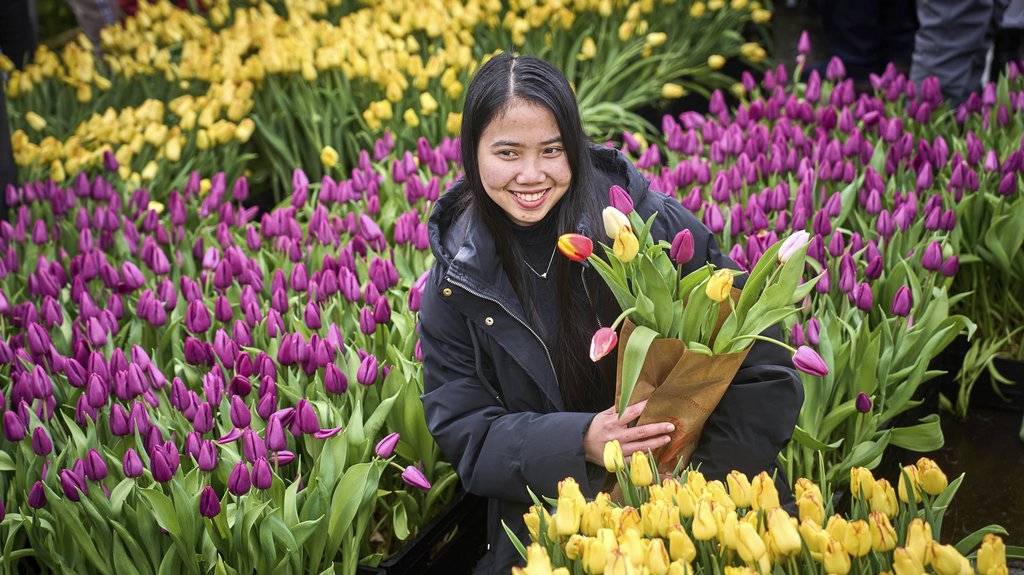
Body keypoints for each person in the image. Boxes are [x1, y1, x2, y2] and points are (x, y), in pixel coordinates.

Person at [417, 53, 803, 574]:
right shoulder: (457, 281)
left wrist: (697, 496)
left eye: (551, 150)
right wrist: (580, 442)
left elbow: (763, 367)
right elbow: (468, 434)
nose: (531, 175)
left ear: (574, 147)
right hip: (553, 517)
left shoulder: (647, 227)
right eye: (507, 152)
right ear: (473, 154)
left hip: (703, 501)